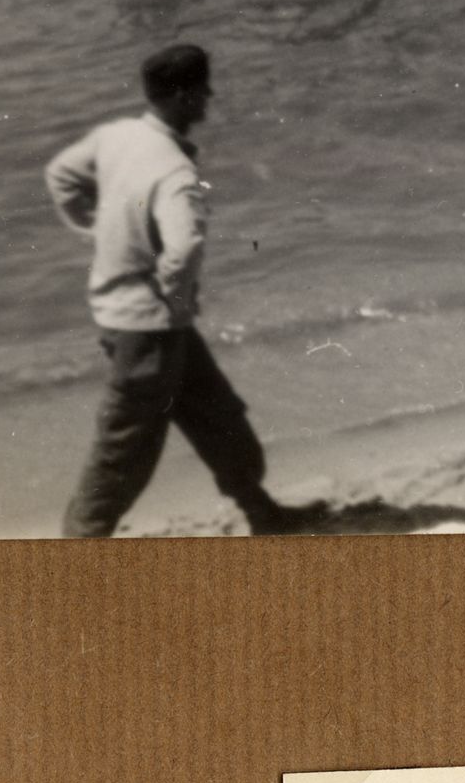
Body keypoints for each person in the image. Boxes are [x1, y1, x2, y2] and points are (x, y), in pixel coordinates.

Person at [44, 43, 325, 537]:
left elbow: (61, 175)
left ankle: (262, 512)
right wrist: (174, 296)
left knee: (218, 415)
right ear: (181, 96)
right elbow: (186, 244)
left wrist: (97, 231)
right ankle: (78, 549)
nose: (208, 99)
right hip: (148, 330)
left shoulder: (117, 136)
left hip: (138, 320)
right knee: (124, 450)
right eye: (201, 91)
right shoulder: (175, 171)